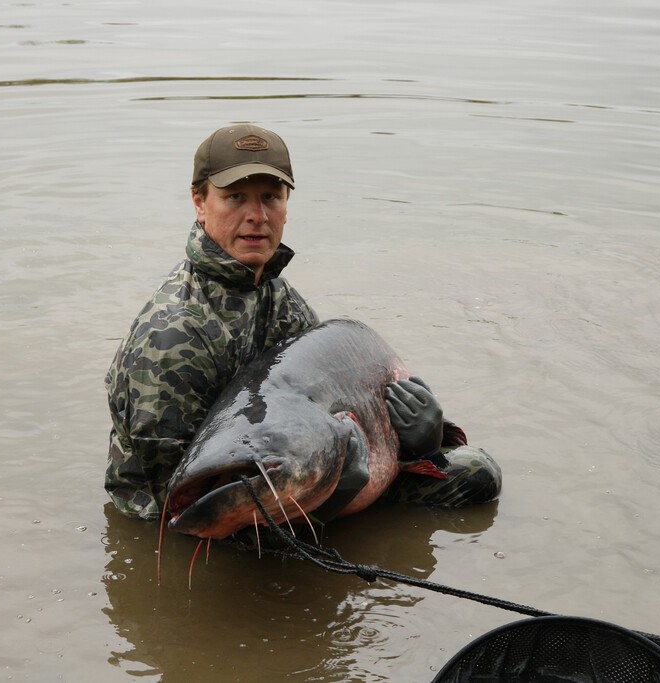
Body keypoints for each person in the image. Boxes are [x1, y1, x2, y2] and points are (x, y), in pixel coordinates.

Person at [104, 123, 500, 521]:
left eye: (271, 198)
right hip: (198, 514)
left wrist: (423, 440)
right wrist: (332, 498)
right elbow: (177, 503)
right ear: (200, 202)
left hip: (287, 475)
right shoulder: (172, 335)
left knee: (474, 473)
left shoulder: (278, 296)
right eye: (236, 197)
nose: (257, 216)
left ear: (287, 206)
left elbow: (316, 411)